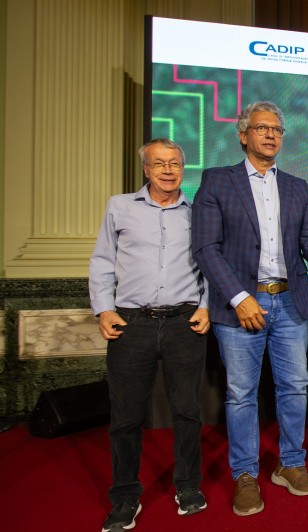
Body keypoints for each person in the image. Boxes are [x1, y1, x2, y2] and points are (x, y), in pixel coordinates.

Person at [191, 101, 308, 516]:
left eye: (277, 129)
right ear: (243, 135)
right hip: (241, 304)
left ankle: (290, 464)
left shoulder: (296, 186)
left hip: (290, 304)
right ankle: (245, 474)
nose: (271, 134)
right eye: (261, 128)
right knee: (241, 394)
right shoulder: (217, 181)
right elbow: (206, 248)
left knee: (295, 387)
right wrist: (239, 298)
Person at [89, 138, 210, 531]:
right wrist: (103, 309)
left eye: (175, 163)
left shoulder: (197, 214)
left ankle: (188, 487)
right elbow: (103, 261)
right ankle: (124, 497)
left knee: (188, 412)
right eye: (159, 163)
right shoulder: (119, 206)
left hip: (184, 323)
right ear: (146, 169)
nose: (168, 170)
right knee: (125, 418)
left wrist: (206, 306)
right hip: (130, 324)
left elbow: (209, 265)